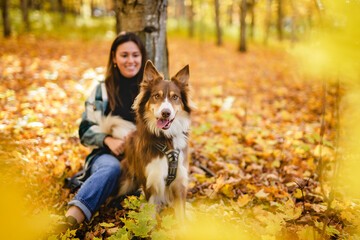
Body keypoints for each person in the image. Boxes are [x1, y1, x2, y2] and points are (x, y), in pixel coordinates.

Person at [59, 32, 147, 230]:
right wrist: (108, 140)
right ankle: (69, 220)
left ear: (142, 56)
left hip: (142, 157)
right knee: (111, 169)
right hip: (107, 155)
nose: (130, 60)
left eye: (135, 55)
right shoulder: (102, 89)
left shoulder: (152, 91)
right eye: (124, 55)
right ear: (114, 58)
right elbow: (85, 129)